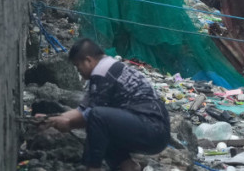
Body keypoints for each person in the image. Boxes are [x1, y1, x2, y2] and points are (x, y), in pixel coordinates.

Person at [44, 39, 170, 171]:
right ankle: (128, 166)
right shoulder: (107, 68)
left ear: (88, 60)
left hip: (152, 128)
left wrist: (69, 124)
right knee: (102, 123)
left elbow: (91, 116)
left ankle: (92, 167)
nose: (78, 70)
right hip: (155, 131)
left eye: (77, 65)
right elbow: (83, 110)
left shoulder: (102, 72)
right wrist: (51, 120)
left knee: (98, 119)